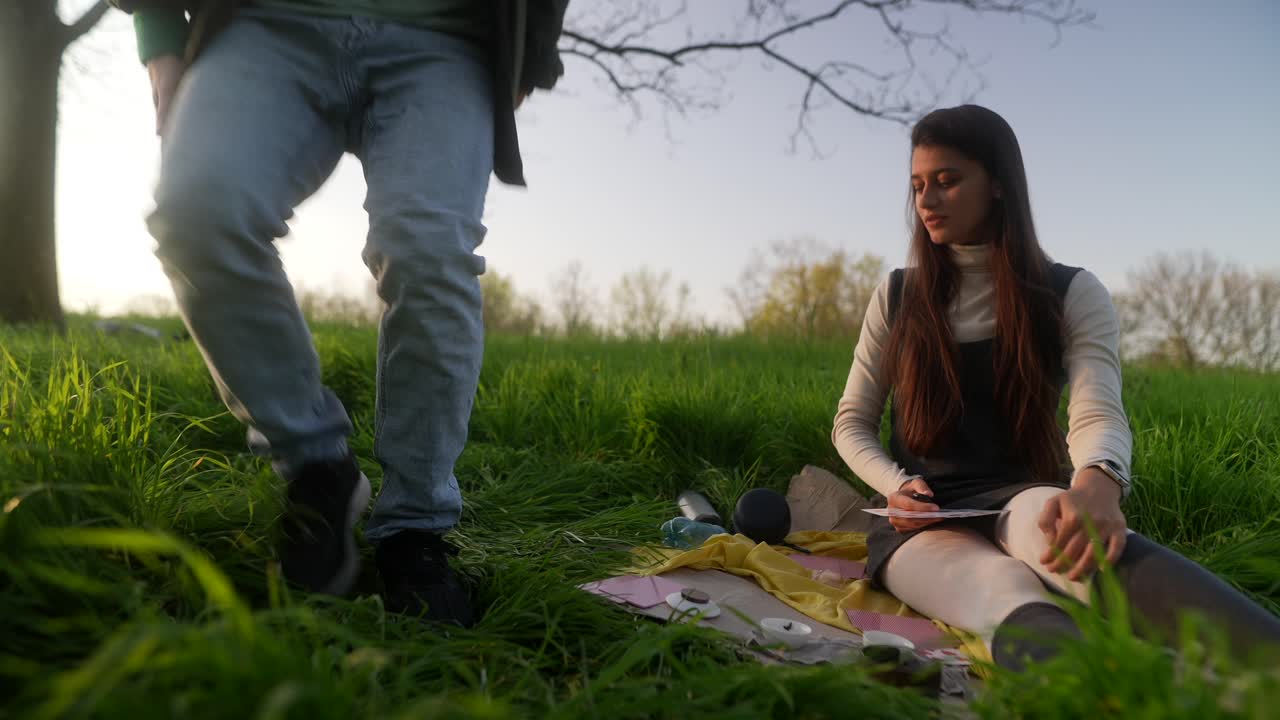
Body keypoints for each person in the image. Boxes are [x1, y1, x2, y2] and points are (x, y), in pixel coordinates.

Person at [109, 0, 571, 626]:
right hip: (266, 22)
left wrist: (531, 54)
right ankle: (318, 467)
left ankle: (416, 528)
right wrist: (160, 39)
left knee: (429, 252)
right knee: (197, 215)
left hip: (447, 37)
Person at [832, 104, 1280, 669]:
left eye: (947, 181)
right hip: (920, 519)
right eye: (918, 185)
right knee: (998, 590)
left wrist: (1099, 480)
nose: (926, 200)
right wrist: (897, 485)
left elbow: (1097, 409)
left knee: (1080, 552)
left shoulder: (1070, 291)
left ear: (997, 186)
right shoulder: (897, 295)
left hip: (1022, 497)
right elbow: (851, 421)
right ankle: (1131, 697)